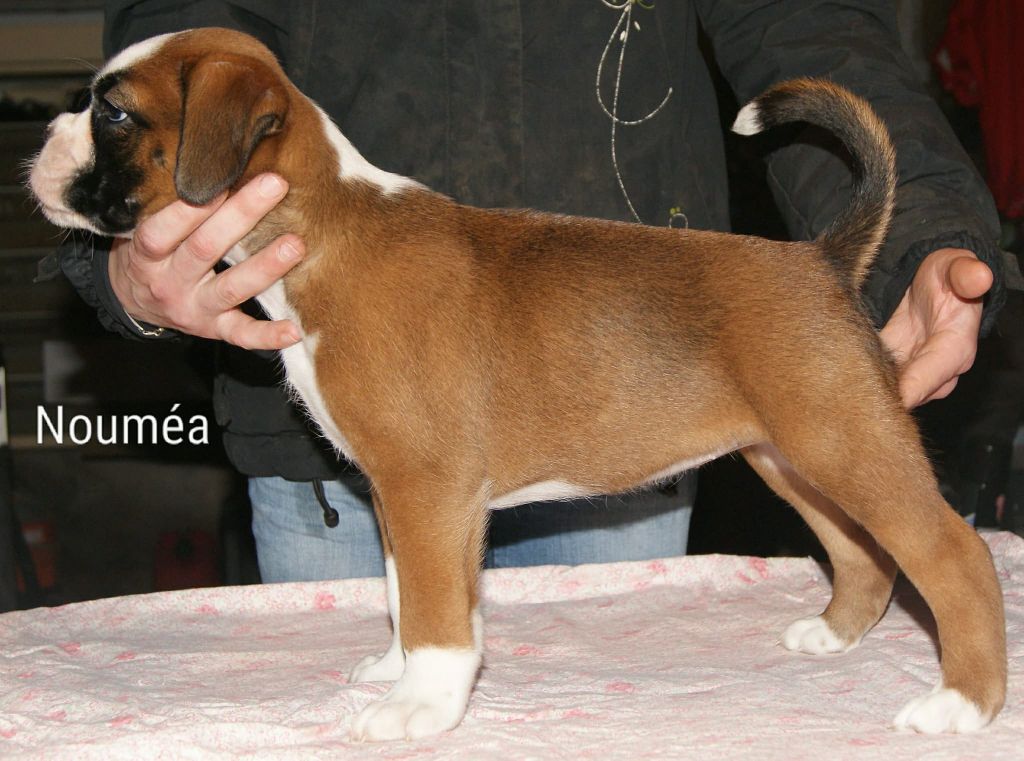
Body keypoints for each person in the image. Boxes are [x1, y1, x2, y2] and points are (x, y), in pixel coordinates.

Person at [53, 0, 1018, 582]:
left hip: (633, 378)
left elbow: (803, 15)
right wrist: (136, 249)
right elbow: (182, 28)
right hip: (317, 455)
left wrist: (924, 228)